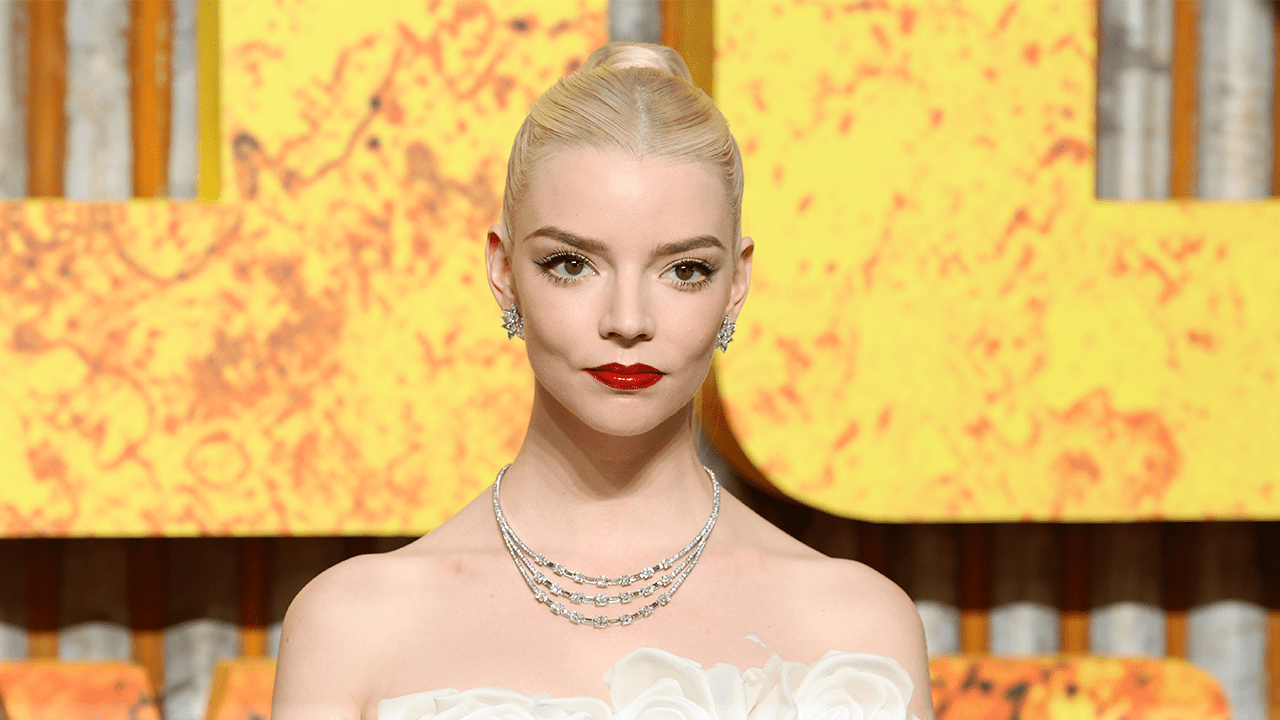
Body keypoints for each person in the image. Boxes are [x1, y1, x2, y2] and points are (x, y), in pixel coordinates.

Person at [271, 42, 932, 720]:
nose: (627, 321)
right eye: (570, 263)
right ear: (503, 270)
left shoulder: (858, 631)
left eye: (684, 271)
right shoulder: (351, 629)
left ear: (736, 283)